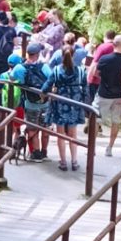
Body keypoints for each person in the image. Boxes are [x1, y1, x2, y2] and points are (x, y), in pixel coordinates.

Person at [45, 42, 89, 171]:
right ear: (74, 55)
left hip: (60, 103)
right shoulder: (81, 71)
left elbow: (47, 84)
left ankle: (63, 161)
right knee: (72, 134)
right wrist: (86, 104)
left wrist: (44, 93)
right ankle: (74, 161)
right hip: (75, 104)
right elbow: (86, 88)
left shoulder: (57, 70)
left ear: (61, 55)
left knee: (60, 134)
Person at [91, 33, 121, 156]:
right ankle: (110, 148)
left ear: (113, 44)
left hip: (104, 93)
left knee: (96, 119)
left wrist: (103, 77)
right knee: (116, 122)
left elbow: (95, 73)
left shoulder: (105, 59)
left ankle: (93, 148)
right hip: (120, 95)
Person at [17, 38, 50, 159]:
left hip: (30, 103)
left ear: (28, 54)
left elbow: (12, 77)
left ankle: (36, 154)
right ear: (37, 54)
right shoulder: (44, 67)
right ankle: (44, 151)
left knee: (32, 128)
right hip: (45, 104)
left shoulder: (21, 67)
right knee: (46, 128)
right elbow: (52, 79)